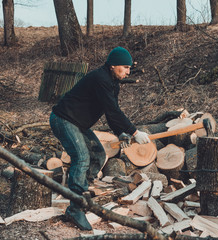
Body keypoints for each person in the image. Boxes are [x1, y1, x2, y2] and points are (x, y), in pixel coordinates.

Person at [49, 46, 150, 230]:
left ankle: (81, 195)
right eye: (125, 67)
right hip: (63, 119)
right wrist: (135, 132)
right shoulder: (100, 78)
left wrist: (121, 132)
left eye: (129, 68)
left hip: (76, 123)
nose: (128, 71)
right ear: (112, 65)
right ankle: (75, 208)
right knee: (81, 158)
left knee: (98, 155)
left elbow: (110, 113)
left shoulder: (112, 83)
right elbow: (113, 110)